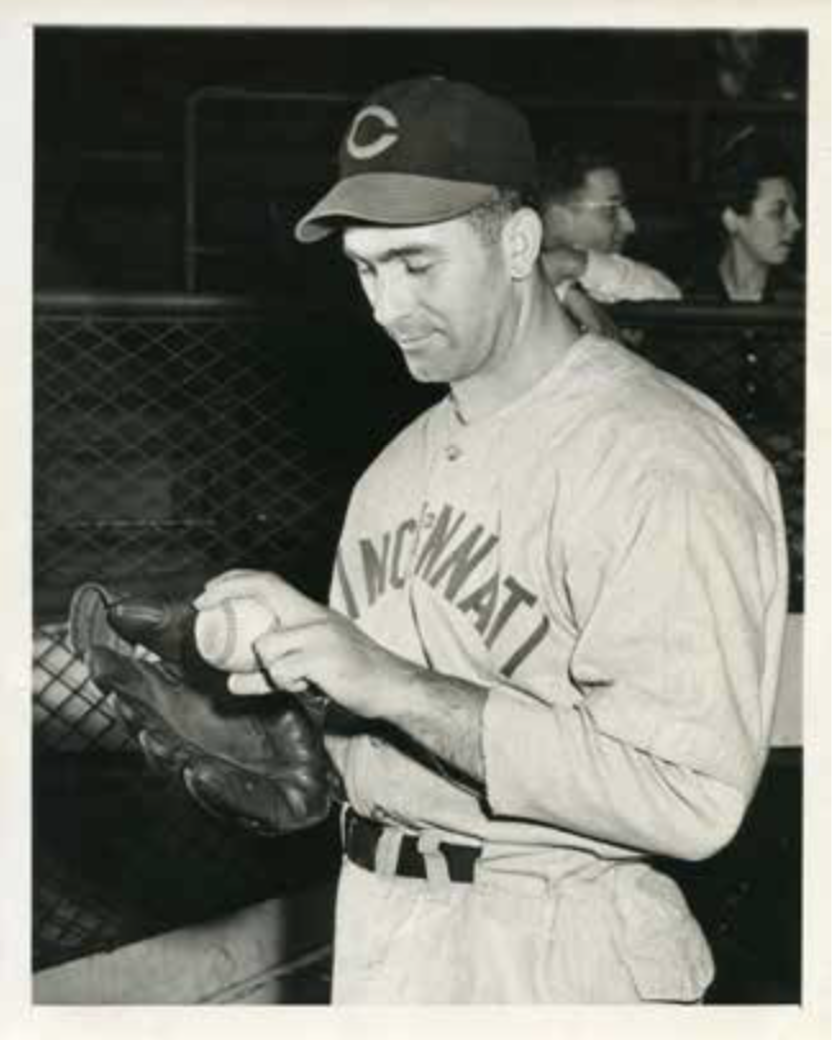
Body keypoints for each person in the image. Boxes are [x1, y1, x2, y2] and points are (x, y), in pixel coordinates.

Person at [195, 76, 788, 1004]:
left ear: (517, 244)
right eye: (365, 268)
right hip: (384, 934)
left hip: (558, 953)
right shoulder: (394, 468)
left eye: (417, 265)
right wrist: (279, 718)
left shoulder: (660, 459)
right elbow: (389, 726)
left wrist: (391, 684)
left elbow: (690, 795)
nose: (387, 307)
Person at [537, 144, 682, 336]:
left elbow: (670, 300)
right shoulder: (506, 278)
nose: (630, 225)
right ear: (558, 217)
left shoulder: (594, 273)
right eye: (611, 211)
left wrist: (574, 262)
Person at [687, 127, 804, 302]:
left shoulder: (802, 300)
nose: (796, 224)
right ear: (731, 219)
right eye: (777, 212)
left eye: (795, 210)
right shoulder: (690, 299)